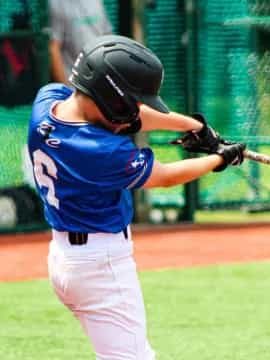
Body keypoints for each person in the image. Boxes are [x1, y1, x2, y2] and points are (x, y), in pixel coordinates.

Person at [27, 35, 245, 359]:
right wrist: (219, 159)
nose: (131, 111)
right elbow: (166, 176)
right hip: (101, 266)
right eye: (127, 102)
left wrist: (193, 127)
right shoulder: (101, 151)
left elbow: (132, 117)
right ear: (110, 98)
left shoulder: (47, 102)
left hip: (66, 258)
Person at [48, 0, 112, 83]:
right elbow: (54, 48)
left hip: (98, 82)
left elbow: (107, 37)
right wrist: (66, 89)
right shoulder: (56, 3)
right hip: (73, 84)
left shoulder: (97, 2)